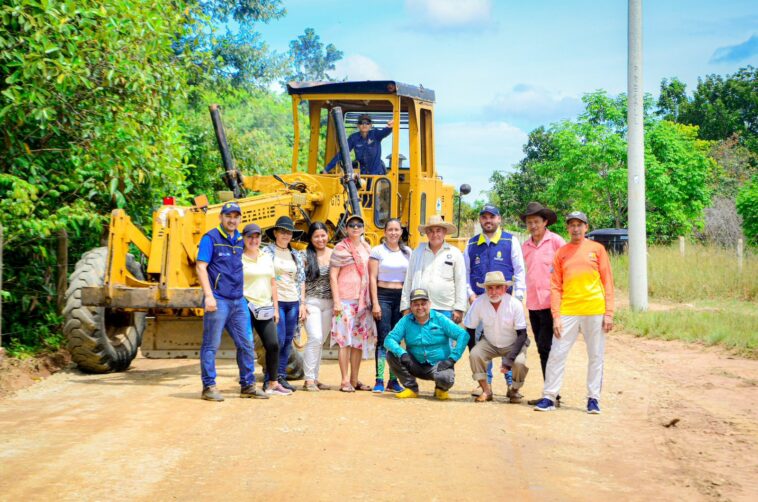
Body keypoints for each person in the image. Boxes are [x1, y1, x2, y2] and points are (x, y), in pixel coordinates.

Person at [534, 211, 615, 414]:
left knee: (596, 356)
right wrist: (556, 316)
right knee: (556, 354)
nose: (576, 228)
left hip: (594, 310)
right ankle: (549, 396)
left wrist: (609, 313)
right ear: (568, 228)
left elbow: (608, 282)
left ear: (586, 227)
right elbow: (555, 286)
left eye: (580, 224)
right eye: (572, 225)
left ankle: (593, 399)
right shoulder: (561, 252)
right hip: (568, 310)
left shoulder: (597, 249)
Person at [196, 201, 265, 401]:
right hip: (218, 300)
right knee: (211, 345)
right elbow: (201, 267)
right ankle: (208, 387)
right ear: (221, 217)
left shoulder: (239, 239)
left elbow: (256, 255)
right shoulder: (211, 238)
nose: (232, 220)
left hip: (238, 301)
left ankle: (248, 385)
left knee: (246, 343)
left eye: (236, 217)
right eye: (229, 216)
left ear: (239, 219)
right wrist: (208, 296)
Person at [463, 204, 526, 396]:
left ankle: (510, 384)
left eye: (492, 217)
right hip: (480, 302)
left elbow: (520, 270)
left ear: (499, 219)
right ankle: (485, 384)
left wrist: (519, 296)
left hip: (505, 302)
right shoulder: (472, 244)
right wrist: (470, 294)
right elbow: (465, 273)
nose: (488, 220)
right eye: (484, 217)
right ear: (480, 220)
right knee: (483, 342)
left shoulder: (510, 241)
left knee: (509, 342)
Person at [385, 288, 470, 400]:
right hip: (413, 364)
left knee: (446, 378)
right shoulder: (405, 321)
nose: (420, 308)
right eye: (416, 304)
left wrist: (452, 359)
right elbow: (389, 339)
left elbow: (463, 335)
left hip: (438, 366)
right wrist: (402, 353)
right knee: (391, 354)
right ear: (411, 306)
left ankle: (440, 389)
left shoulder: (440, 319)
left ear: (429, 304)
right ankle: (411, 388)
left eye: (423, 304)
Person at [520, 202, 566, 406]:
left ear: (545, 222)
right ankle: (551, 392)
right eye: (530, 222)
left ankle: (552, 395)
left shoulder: (556, 242)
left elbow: (567, 270)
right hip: (533, 304)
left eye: (537, 222)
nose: (533, 226)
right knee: (541, 347)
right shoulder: (525, 246)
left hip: (552, 304)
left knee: (548, 348)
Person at [241, 223, 292, 396]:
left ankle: (272, 383)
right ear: (244, 238)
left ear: (261, 238)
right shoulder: (239, 258)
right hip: (246, 306)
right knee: (246, 345)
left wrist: (276, 308)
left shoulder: (265, 257)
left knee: (273, 344)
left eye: (256, 237)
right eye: (250, 237)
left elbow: (272, 283)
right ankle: (247, 384)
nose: (253, 240)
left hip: (264, 306)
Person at [465, 272, 529, 403]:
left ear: (505, 288)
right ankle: (486, 390)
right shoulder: (479, 303)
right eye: (490, 288)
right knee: (475, 355)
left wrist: (509, 359)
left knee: (519, 362)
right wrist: (473, 350)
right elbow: (470, 329)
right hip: (489, 342)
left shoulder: (515, 304)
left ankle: (514, 391)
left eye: (497, 287)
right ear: (485, 289)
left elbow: (522, 335)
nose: (493, 292)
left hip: (513, 343)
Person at [330, 214, 376, 392]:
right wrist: (336, 302)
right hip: (345, 300)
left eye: (359, 224)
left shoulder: (367, 248)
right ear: (346, 229)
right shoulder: (340, 248)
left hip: (362, 302)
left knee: (357, 342)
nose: (355, 227)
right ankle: (344, 381)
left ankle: (355, 379)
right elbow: (333, 276)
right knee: (345, 341)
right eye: (352, 225)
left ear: (363, 228)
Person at [262, 216, 306, 393]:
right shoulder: (267, 253)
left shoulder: (295, 254)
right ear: (275, 233)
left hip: (293, 302)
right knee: (276, 341)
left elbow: (301, 280)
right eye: (282, 231)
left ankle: (281, 377)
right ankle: (269, 378)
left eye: (288, 232)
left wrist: (302, 303)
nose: (285, 235)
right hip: (276, 301)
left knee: (288, 341)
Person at [400, 215, 467, 323]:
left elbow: (461, 281)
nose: (435, 234)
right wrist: (405, 306)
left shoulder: (455, 253)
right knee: (419, 339)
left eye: (438, 230)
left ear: (444, 232)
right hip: (420, 307)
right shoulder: (417, 253)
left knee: (443, 340)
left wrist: (459, 308)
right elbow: (409, 280)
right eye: (431, 231)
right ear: (426, 233)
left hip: (445, 308)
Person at [368, 218, 409, 393]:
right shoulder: (377, 251)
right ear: (384, 232)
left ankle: (393, 380)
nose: (393, 233)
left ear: (401, 232)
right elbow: (372, 278)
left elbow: (410, 279)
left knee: (397, 340)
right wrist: (375, 303)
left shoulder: (408, 252)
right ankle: (379, 379)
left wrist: (407, 303)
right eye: (390, 229)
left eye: (396, 229)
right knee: (384, 339)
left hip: (401, 298)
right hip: (383, 296)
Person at [302, 221, 333, 392]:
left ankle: (315, 377)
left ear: (328, 235)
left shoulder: (335, 253)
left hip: (329, 303)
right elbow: (300, 281)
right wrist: (302, 303)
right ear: (311, 238)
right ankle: (308, 380)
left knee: (320, 341)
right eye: (316, 236)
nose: (320, 239)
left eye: (323, 235)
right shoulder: (305, 255)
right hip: (311, 302)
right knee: (314, 337)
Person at [324, 114, 394, 175]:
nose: (364, 125)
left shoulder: (375, 134)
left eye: (367, 123)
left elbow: (385, 132)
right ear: (358, 125)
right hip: (361, 174)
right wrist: (327, 169)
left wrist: (390, 126)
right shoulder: (353, 138)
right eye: (361, 123)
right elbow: (343, 153)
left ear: (371, 125)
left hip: (376, 174)